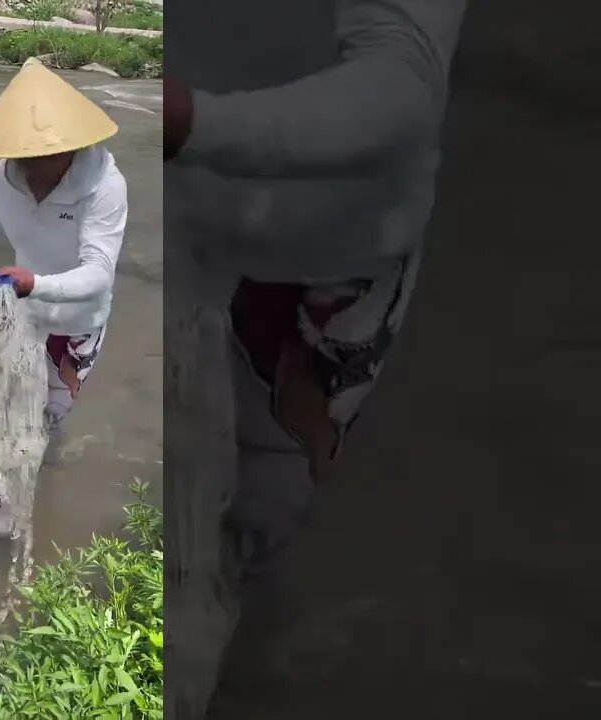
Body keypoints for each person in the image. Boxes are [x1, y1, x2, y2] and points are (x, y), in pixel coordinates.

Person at [163, 0, 469, 709]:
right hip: (181, 231)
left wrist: (195, 123)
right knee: (180, 536)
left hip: (331, 255)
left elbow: (401, 88)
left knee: (272, 511)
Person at [0, 57, 129, 434]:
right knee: (4, 399)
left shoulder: (104, 187)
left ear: (68, 147)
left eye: (37, 155)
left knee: (48, 417)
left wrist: (37, 284)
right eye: (20, 153)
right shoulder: (10, 171)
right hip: (23, 308)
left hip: (76, 323)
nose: (26, 163)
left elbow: (99, 273)